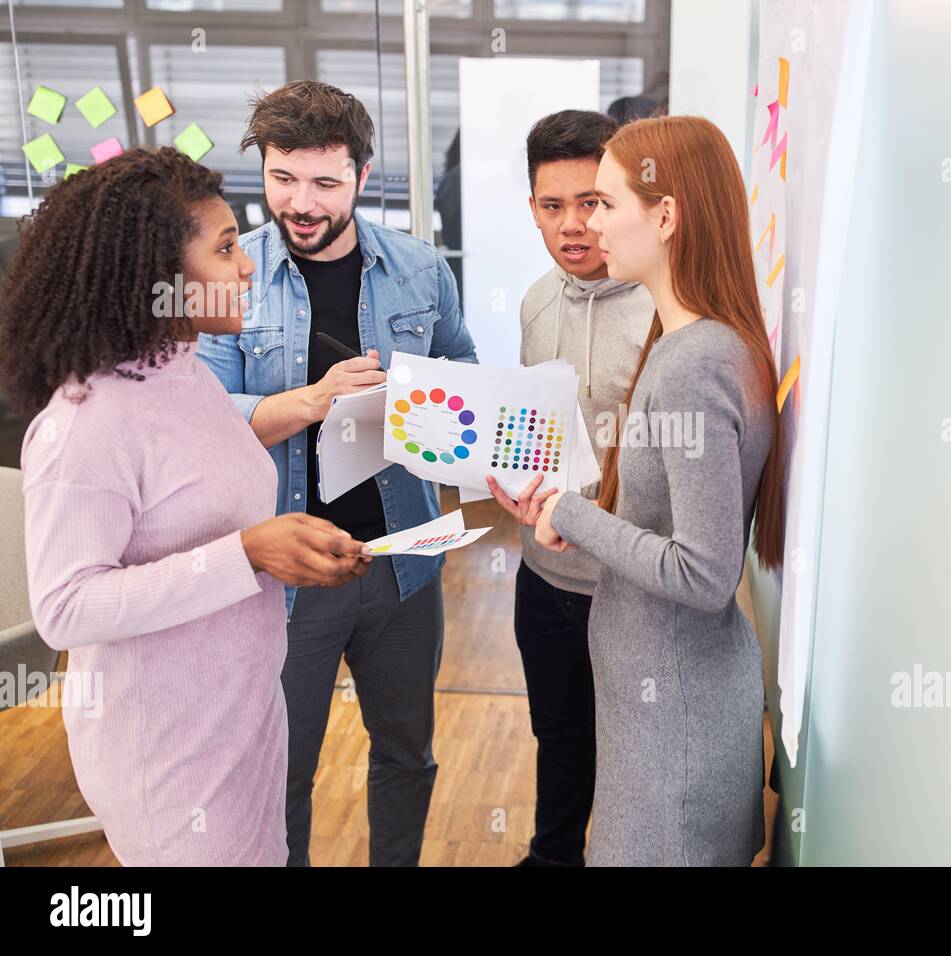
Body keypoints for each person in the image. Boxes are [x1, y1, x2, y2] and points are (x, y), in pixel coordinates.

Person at [2, 147, 370, 866]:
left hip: (242, 718)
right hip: (166, 749)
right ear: (157, 277)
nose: (248, 265)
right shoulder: (87, 423)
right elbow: (66, 608)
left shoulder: (186, 373)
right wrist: (250, 553)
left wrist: (280, 545)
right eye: (226, 247)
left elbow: (210, 517)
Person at [197, 81, 477, 867]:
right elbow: (209, 419)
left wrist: (427, 404)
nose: (301, 202)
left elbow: (465, 375)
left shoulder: (421, 269)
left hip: (402, 564)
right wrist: (316, 401)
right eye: (283, 178)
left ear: (362, 174)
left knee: (407, 753)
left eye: (325, 182)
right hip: (287, 577)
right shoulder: (229, 275)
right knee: (282, 772)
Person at [535, 116, 787, 866]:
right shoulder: (697, 342)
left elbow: (704, 574)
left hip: (673, 722)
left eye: (606, 203)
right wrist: (572, 514)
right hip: (665, 706)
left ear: (666, 215)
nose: (589, 224)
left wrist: (571, 513)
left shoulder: (693, 364)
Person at [485, 110, 654, 866]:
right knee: (558, 733)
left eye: (590, 202)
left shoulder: (661, 308)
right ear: (532, 210)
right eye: (552, 206)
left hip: (630, 584)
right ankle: (553, 855)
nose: (573, 225)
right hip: (542, 573)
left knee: (630, 747)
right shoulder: (533, 302)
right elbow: (540, 431)